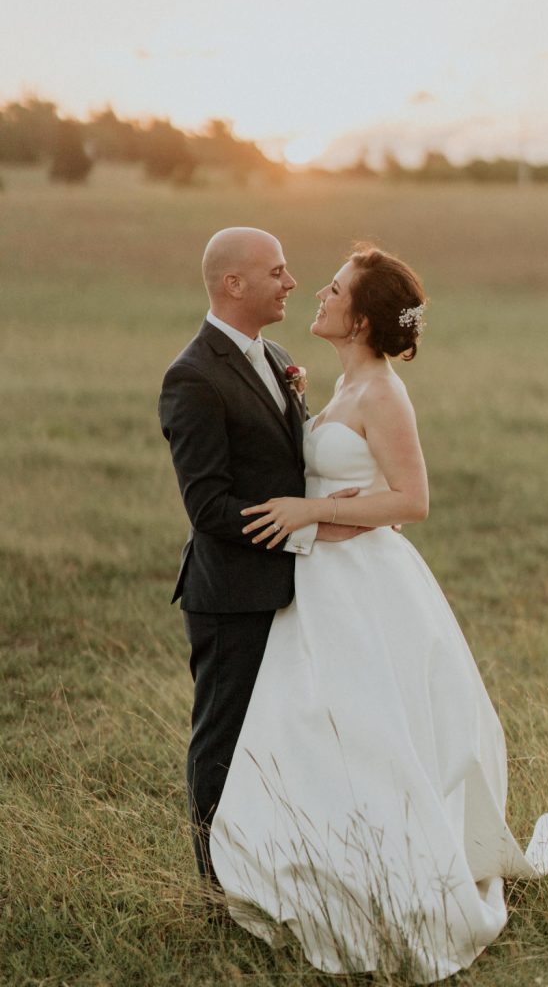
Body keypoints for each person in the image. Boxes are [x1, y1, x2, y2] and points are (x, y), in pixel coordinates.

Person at [209, 245, 548, 981]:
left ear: (360, 318)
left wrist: (312, 509)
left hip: (366, 589)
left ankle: (391, 882)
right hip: (318, 582)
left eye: (332, 289)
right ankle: (314, 870)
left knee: (371, 730)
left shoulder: (382, 395)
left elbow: (412, 500)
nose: (318, 293)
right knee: (312, 729)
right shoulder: (342, 385)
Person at [159, 227, 362, 882]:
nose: (292, 282)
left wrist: (337, 504)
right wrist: (307, 528)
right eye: (276, 272)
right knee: (222, 740)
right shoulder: (191, 377)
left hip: (285, 586)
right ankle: (216, 886)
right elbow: (209, 510)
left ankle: (277, 870)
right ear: (233, 285)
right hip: (230, 596)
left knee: (281, 736)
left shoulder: (276, 356)